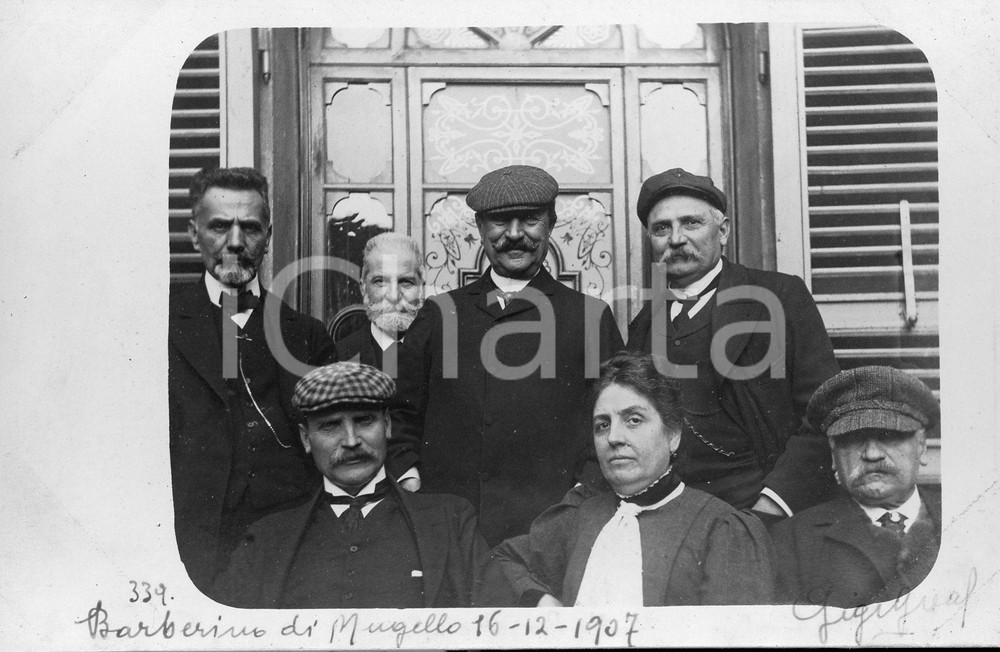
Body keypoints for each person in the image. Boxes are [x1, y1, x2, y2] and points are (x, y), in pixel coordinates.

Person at [390, 165, 625, 544]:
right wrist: (411, 480)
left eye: (530, 220)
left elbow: (614, 422)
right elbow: (401, 415)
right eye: (500, 221)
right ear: (480, 228)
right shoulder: (438, 315)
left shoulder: (590, 318)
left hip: (553, 532)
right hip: (449, 531)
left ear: (550, 224)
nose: (515, 235)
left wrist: (581, 501)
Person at [626, 167, 839, 519]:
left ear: (722, 231)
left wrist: (773, 503)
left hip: (762, 510)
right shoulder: (643, 326)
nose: (676, 239)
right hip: (669, 517)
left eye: (691, 223)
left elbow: (825, 409)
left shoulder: (779, 297)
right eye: (661, 228)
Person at [215, 362, 515, 609]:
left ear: (387, 425)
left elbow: (497, 621)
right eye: (330, 426)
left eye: (364, 421)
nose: (351, 441)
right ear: (306, 439)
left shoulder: (451, 521)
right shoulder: (266, 538)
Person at [168, 167, 336, 596]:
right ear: (193, 234)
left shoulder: (307, 336)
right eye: (220, 227)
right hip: (186, 546)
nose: (236, 243)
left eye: (251, 228)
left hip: (290, 544)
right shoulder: (153, 327)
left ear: (268, 236)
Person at [494, 352, 775, 606]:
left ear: (673, 434)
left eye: (634, 420)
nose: (614, 438)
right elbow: (502, 561)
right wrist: (542, 601)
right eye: (602, 425)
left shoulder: (721, 528)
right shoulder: (579, 516)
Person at [770, 365, 941, 608]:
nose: (872, 454)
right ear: (833, 454)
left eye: (889, 435)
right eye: (852, 439)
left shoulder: (970, 519)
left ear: (922, 446)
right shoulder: (789, 543)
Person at [335, 232, 424, 374]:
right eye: (380, 282)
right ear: (363, 288)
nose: (394, 296)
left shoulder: (444, 354)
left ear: (421, 288)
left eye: (406, 282)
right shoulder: (337, 357)